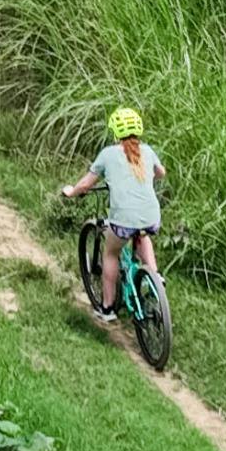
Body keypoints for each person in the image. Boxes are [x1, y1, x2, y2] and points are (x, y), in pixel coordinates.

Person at [56, 108, 165, 314]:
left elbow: (85, 185)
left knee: (111, 253)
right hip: (151, 216)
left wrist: (72, 192)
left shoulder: (107, 154)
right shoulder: (148, 151)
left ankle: (107, 308)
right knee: (142, 234)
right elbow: (161, 173)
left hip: (123, 220)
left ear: (115, 132)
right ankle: (154, 276)